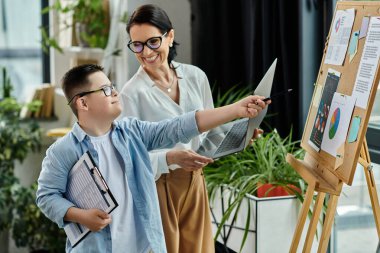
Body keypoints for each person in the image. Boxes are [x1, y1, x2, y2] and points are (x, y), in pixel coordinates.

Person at [36, 64, 268, 253]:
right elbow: (46, 196)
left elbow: (178, 127)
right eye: (105, 90)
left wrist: (236, 110)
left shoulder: (131, 132)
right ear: (82, 102)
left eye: (112, 86)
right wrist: (81, 216)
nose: (115, 92)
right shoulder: (63, 151)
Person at [119, 4, 265, 253]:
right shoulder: (131, 94)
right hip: (158, 188)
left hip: (195, 184)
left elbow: (205, 137)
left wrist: (239, 137)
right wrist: (171, 157)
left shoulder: (196, 77)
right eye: (137, 45)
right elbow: (129, 161)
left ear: (170, 36)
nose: (145, 52)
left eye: (153, 42)